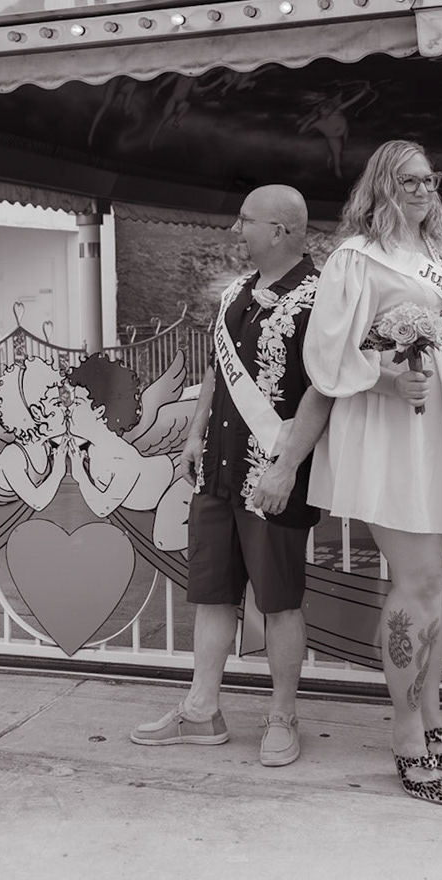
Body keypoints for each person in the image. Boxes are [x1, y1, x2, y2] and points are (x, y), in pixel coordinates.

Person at [303, 140, 442, 805]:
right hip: (397, 429)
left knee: (432, 584)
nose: (421, 189)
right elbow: (328, 351)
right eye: (407, 179)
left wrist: (440, 328)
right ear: (381, 185)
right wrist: (387, 380)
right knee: (417, 581)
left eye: (429, 178)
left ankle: (432, 716)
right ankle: (406, 730)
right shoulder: (358, 257)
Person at [129, 184, 333, 768]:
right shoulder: (235, 291)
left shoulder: (322, 297)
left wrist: (287, 468)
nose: (235, 230)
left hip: (273, 477)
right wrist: (195, 432)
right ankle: (201, 711)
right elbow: (218, 374)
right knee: (212, 595)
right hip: (216, 471)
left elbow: (324, 391)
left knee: (279, 601)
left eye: (246, 220)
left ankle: (283, 716)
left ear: (281, 231)